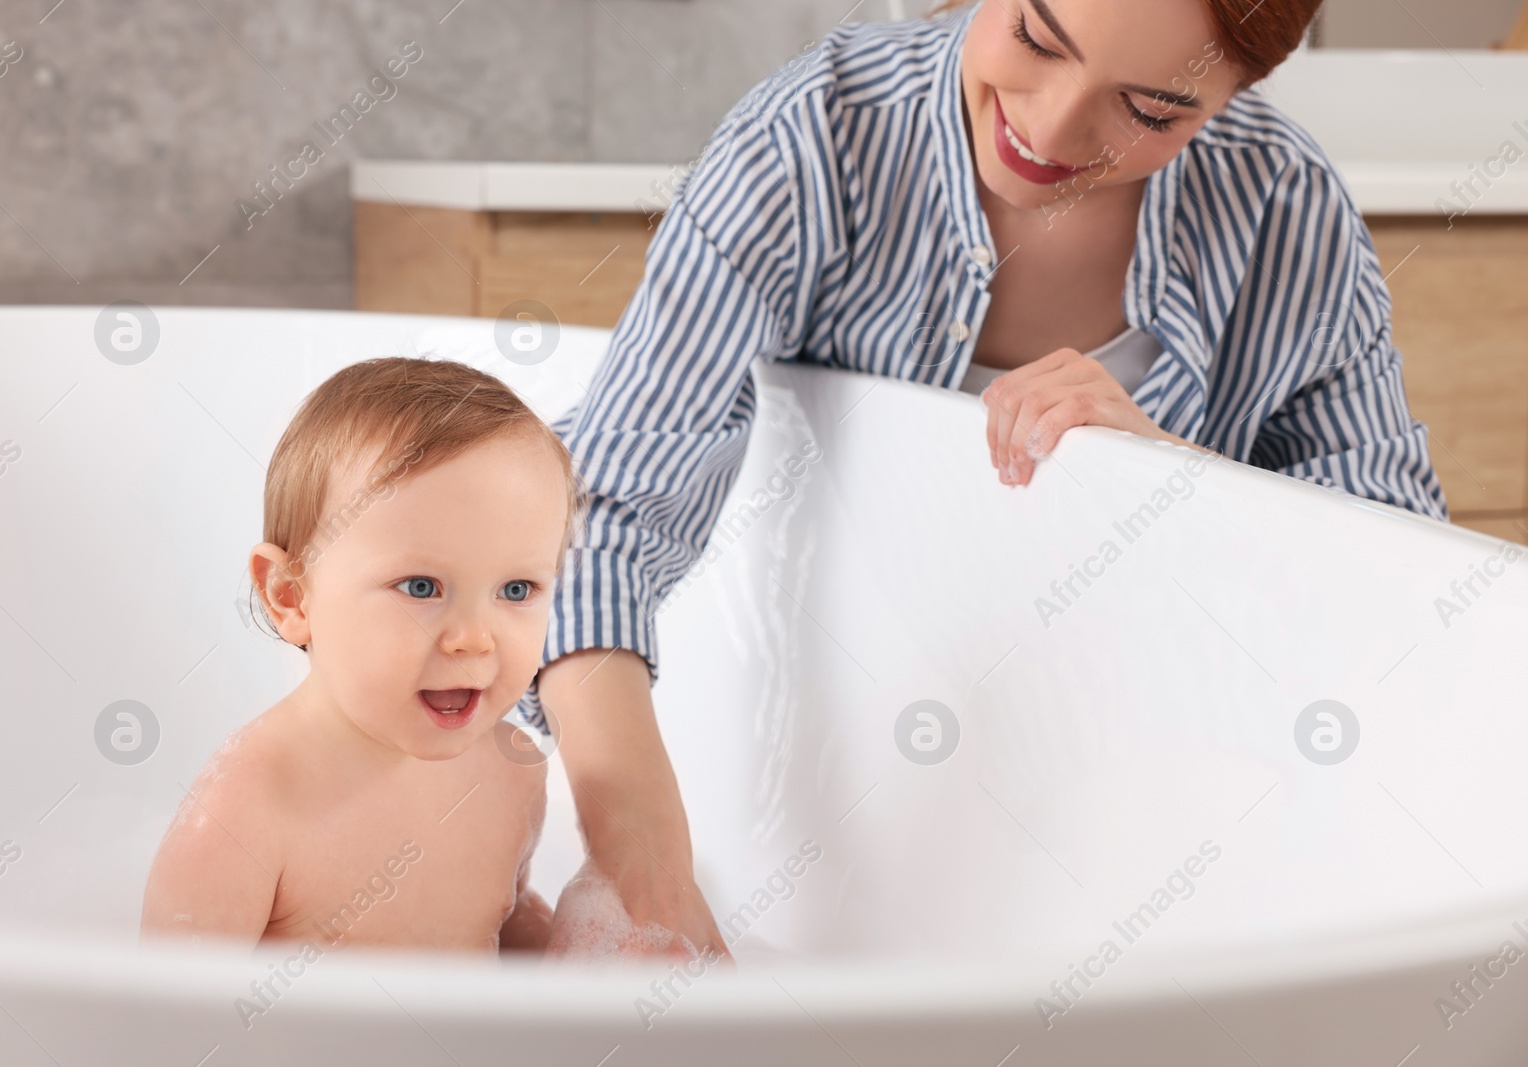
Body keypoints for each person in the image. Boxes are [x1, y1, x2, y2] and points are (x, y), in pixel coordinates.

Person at [518, 0, 1449, 958]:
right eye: (1036, 38)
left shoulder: (1283, 204)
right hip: (858, 799)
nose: (1048, 128)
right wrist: (648, 867)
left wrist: (1176, 477)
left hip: (1174, 807)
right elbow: (598, 521)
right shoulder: (816, 135)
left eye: (1153, 108)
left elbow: (1400, 579)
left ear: (1236, 93)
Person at [141, 357, 584, 954]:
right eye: (422, 588)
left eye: (516, 590)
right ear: (291, 594)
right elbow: (168, 1026)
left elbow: (505, 920)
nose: (474, 638)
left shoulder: (513, 773)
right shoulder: (242, 816)